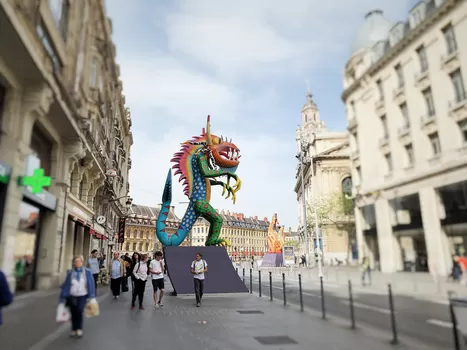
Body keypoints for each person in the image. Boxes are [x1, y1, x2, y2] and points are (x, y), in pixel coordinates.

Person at [59, 255, 96, 338]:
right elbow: (66, 285)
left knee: (79, 311)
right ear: (73, 263)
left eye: (79, 261)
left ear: (82, 263)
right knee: (73, 313)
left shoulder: (87, 272)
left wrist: (92, 296)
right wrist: (63, 296)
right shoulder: (70, 273)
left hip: (82, 295)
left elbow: (91, 284)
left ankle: (79, 329)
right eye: (76, 261)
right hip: (72, 295)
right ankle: (73, 329)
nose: (77, 263)